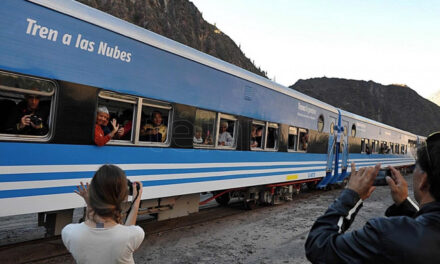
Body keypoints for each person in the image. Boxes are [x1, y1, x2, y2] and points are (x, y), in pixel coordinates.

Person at [305, 132, 440, 264]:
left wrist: (351, 195)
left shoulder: (385, 234)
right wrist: (404, 204)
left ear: (423, 180)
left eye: (416, 166)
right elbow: (425, 228)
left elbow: (319, 247)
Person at [62, 164, 144, 264]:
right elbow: (125, 234)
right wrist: (136, 203)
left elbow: (98, 227)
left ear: (93, 191)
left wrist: (90, 204)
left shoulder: (69, 233)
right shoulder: (135, 234)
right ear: (123, 196)